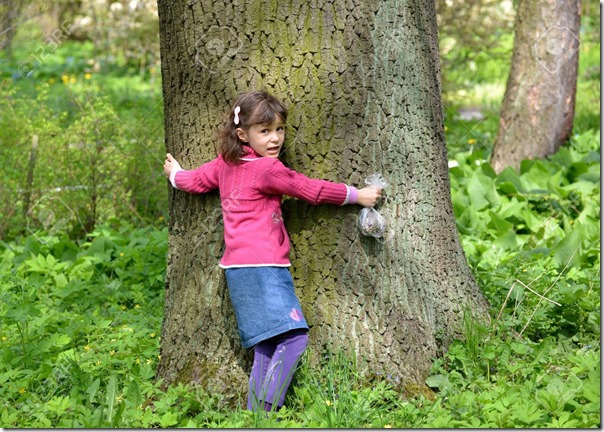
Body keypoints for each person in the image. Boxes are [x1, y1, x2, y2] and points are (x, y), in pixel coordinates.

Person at [163, 90, 382, 413]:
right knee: (294, 339)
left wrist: (175, 175)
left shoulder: (226, 164)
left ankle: (256, 416)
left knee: (267, 344)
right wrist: (357, 196)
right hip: (264, 268)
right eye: (264, 131)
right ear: (243, 134)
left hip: (237, 270)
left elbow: (194, 180)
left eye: (280, 129)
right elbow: (309, 189)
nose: (275, 138)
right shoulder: (268, 169)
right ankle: (268, 408)